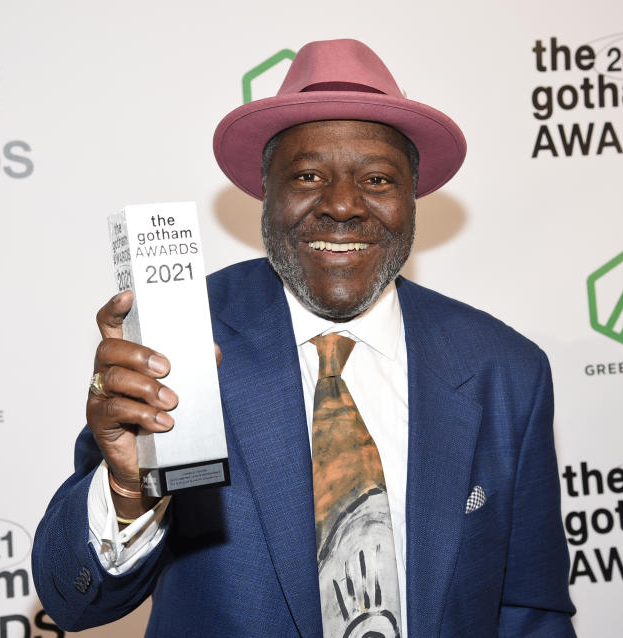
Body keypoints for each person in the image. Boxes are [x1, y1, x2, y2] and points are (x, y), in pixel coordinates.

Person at [33, 38, 576, 637]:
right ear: (265, 195)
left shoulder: (505, 369)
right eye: (308, 175)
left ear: (412, 199)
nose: (342, 206)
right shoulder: (179, 340)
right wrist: (126, 487)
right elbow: (74, 600)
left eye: (376, 178)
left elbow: (530, 612)